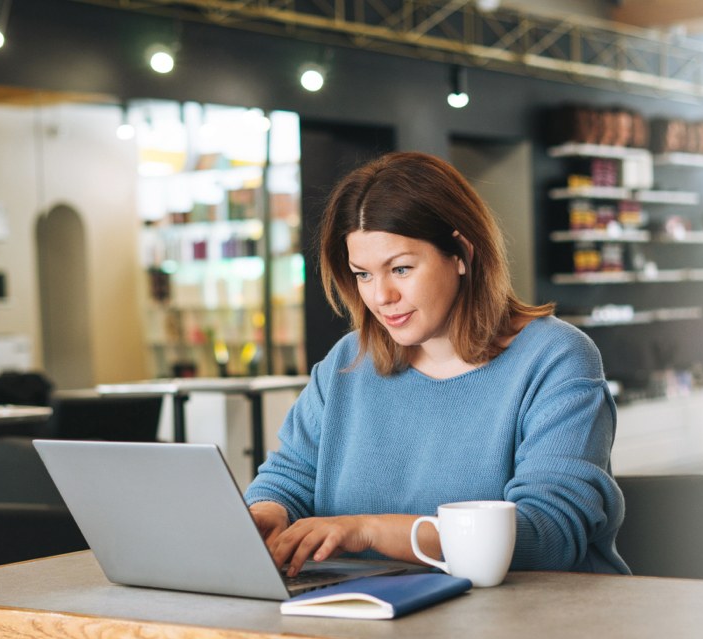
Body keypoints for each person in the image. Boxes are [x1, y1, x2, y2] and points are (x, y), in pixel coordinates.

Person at [245, 151, 628, 576]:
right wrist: (266, 512)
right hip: (374, 618)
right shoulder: (348, 363)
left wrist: (371, 531)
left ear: (461, 252)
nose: (381, 296)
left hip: (525, 623)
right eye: (363, 274)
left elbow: (548, 535)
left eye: (401, 269)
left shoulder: (555, 360)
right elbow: (291, 475)